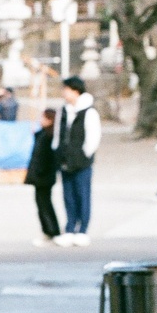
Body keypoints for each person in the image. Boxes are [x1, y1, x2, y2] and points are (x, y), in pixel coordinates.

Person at [51, 75, 101, 246]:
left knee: (82, 194)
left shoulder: (89, 111)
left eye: (67, 90)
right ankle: (70, 227)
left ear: (75, 91)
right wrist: (57, 151)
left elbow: (93, 137)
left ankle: (83, 229)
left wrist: (84, 154)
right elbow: (58, 134)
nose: (64, 93)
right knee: (68, 195)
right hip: (64, 159)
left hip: (81, 161)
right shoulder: (63, 111)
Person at [25, 108, 60, 244]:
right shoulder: (43, 134)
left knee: (45, 204)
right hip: (40, 175)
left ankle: (52, 229)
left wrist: (41, 171)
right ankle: (47, 230)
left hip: (44, 175)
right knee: (41, 204)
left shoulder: (51, 136)